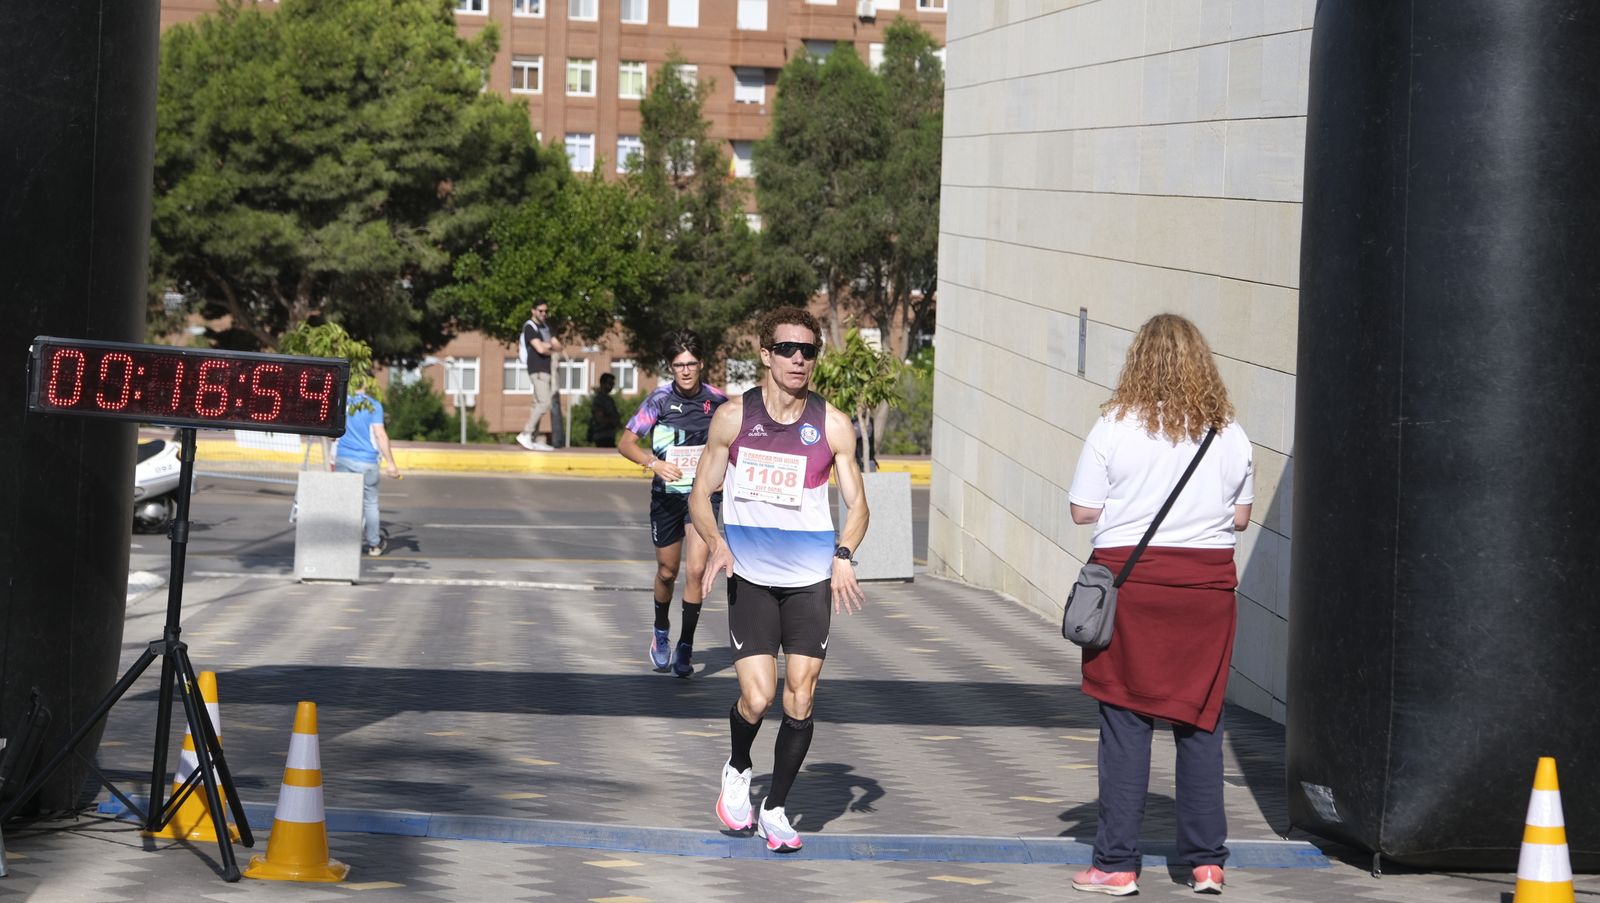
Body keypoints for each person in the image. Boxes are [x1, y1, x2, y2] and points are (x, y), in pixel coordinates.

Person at [1064, 314, 1253, 896]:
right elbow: (1240, 519)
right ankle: (1205, 863)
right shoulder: (1230, 433)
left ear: (1137, 361)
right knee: (1202, 722)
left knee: (1125, 720)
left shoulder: (1113, 427)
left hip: (1133, 589)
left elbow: (1082, 511)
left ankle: (1117, 864)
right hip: (1206, 593)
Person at [690, 307, 869, 853]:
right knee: (758, 696)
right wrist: (717, 541)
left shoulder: (833, 424)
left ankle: (777, 808)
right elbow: (701, 494)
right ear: (766, 355)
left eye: (808, 351)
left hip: (811, 579)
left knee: (801, 697)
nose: (799, 359)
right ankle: (739, 766)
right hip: (751, 576)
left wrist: (844, 553)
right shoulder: (732, 418)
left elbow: (858, 505)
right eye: (788, 349)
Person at [618, 332, 729, 677]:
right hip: (666, 497)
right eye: (678, 365)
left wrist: (727, 473)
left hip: (702, 497)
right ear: (670, 367)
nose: (685, 371)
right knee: (668, 572)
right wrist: (655, 464)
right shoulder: (659, 400)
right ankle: (661, 632)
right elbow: (626, 444)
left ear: (701, 364)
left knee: (696, 571)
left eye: (691, 364)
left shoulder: (718, 401)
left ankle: (686, 647)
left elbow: (736, 444)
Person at [331, 386, 401, 557]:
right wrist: (391, 463)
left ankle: (343, 541)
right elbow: (380, 434)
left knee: (344, 501)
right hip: (367, 461)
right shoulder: (373, 405)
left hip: (343, 457)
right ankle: (374, 544)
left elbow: (333, 433)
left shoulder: (342, 402)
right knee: (370, 503)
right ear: (368, 384)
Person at [517, 301, 562, 451]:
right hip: (537, 369)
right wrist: (549, 346)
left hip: (546, 369)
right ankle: (526, 433)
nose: (543, 314)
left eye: (545, 311)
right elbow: (540, 349)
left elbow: (558, 346)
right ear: (533, 311)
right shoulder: (530, 327)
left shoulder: (546, 327)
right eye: (540, 311)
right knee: (544, 402)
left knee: (537, 403)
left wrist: (547, 345)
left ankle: (532, 438)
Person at [587, 372, 621, 448]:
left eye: (613, 384)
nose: (612, 386)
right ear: (602, 383)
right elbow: (599, 418)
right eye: (610, 383)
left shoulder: (608, 399)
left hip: (609, 434)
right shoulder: (600, 399)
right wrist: (612, 420)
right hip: (602, 435)